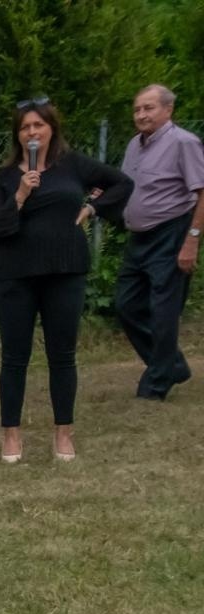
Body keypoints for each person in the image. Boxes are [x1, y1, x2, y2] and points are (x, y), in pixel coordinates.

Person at [0, 99, 131, 462]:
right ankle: (11, 436)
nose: (32, 132)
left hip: (64, 271)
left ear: (51, 128)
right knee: (14, 358)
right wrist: (20, 195)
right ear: (18, 135)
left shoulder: (73, 165)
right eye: (25, 127)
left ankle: (64, 434)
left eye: (38, 125)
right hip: (15, 275)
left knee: (62, 356)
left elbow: (122, 183)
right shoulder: (3, 178)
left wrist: (93, 208)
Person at [116, 84, 203, 402]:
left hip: (171, 233)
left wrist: (191, 241)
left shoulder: (184, 143)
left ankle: (156, 384)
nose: (141, 114)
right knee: (126, 305)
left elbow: (202, 192)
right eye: (137, 109)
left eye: (148, 108)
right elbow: (127, 187)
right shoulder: (133, 146)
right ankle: (173, 365)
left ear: (168, 110)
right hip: (138, 238)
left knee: (163, 310)